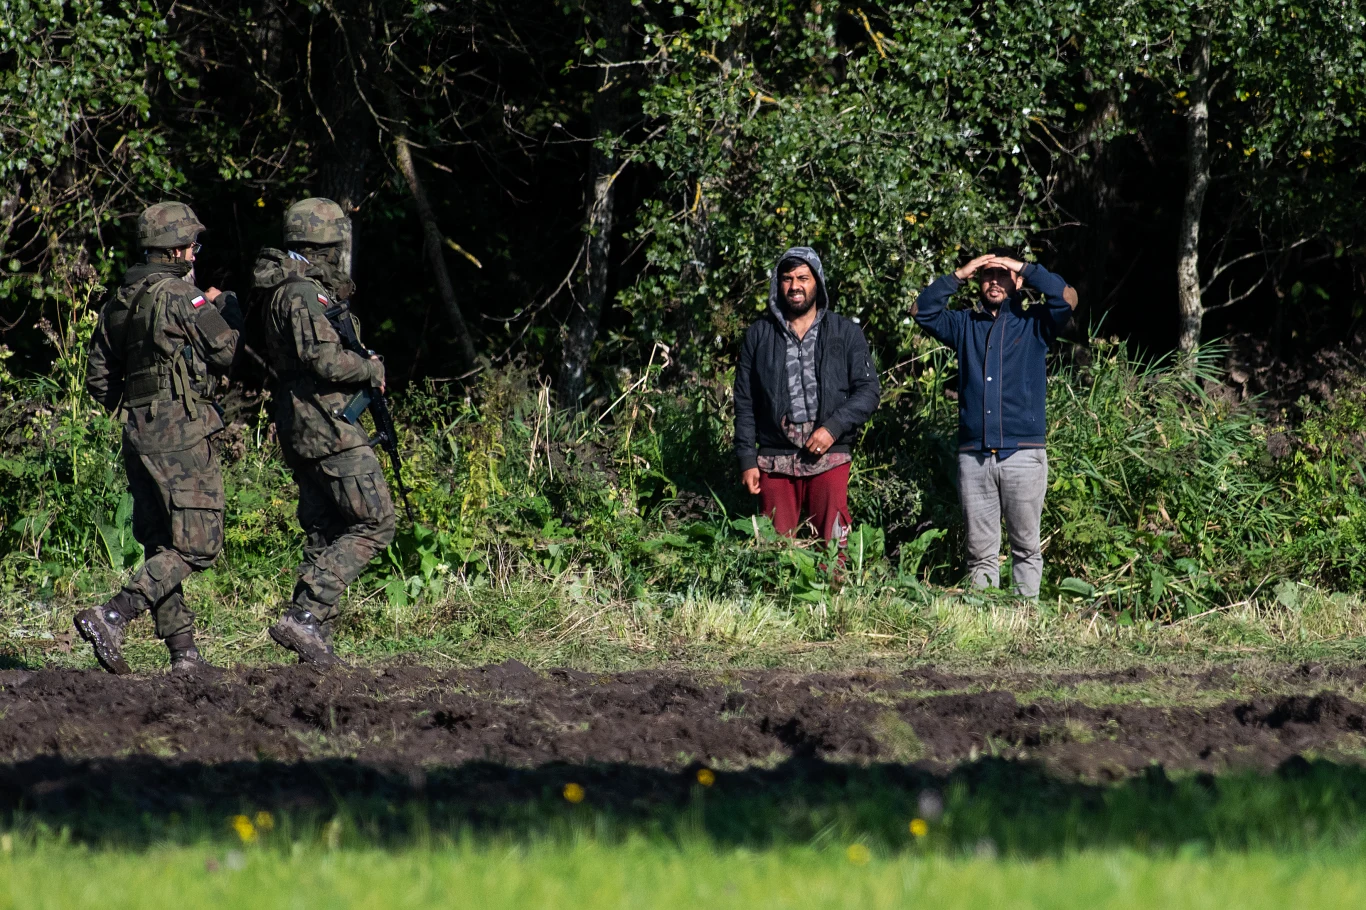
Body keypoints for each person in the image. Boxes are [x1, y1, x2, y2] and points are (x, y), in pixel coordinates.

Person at [78, 201, 242, 673]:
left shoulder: (120, 300)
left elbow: (98, 380)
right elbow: (226, 350)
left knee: (161, 544)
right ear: (176, 250)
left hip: (138, 431)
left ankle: (184, 655)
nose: (196, 252)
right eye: (192, 244)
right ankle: (113, 615)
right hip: (180, 432)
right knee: (198, 544)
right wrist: (224, 306)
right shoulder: (177, 295)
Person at [254, 197, 394, 666]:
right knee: (375, 522)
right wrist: (369, 368)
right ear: (325, 244)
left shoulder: (287, 288)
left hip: (304, 423)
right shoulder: (299, 293)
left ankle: (314, 646)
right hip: (326, 424)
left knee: (326, 529)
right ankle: (307, 615)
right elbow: (324, 359)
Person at [913, 247, 1078, 598]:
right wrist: (961, 273)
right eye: (988, 275)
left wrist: (1022, 267)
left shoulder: (1036, 323)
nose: (994, 281)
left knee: (1026, 548)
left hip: (1023, 454)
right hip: (974, 456)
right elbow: (922, 311)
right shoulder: (963, 324)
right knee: (980, 553)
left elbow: (1067, 297)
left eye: (1002, 275)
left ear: (1016, 281)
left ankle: (1024, 619)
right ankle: (986, 625)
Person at [734, 247, 880, 548]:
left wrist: (833, 428)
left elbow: (868, 392)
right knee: (773, 550)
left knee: (833, 545)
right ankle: (775, 596)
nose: (795, 285)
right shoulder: (759, 335)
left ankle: (836, 595)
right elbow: (745, 402)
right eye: (787, 278)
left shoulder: (845, 332)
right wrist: (747, 459)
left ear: (818, 283)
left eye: (803, 277)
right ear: (778, 284)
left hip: (830, 456)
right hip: (773, 459)